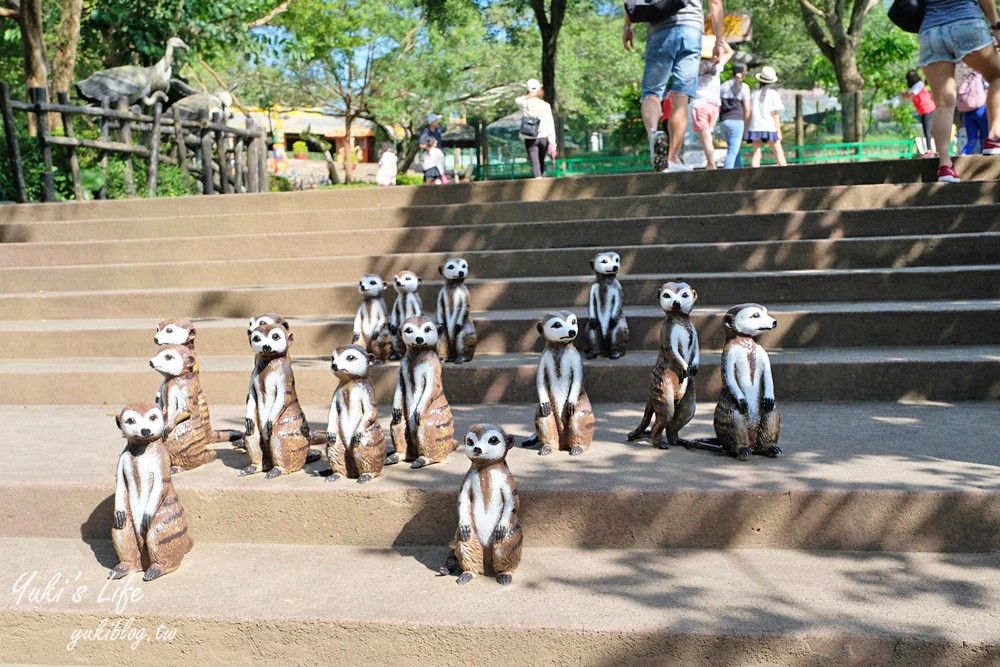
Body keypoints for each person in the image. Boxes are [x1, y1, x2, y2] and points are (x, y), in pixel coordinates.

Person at [623, 0, 726, 172]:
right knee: (682, 95)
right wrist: (719, 42)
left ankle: (654, 134)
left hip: (659, 29)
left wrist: (627, 27)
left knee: (652, 92)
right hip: (691, 30)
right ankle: (672, 157)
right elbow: (715, 2)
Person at [917, 0, 1000, 182]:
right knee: (997, 76)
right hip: (966, 23)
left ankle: (945, 167)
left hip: (930, 32)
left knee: (943, 103)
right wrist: (996, 26)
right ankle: (994, 137)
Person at [691, 35, 734, 169]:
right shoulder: (717, 66)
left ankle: (711, 164)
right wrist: (718, 39)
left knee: (705, 137)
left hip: (699, 105)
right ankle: (711, 163)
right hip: (714, 106)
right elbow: (730, 52)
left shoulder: (693, 67)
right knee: (706, 135)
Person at [515, 79, 558, 178]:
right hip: (543, 138)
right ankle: (544, 186)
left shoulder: (525, 104)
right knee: (542, 163)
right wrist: (552, 142)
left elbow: (517, 100)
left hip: (530, 138)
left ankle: (538, 185)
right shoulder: (545, 105)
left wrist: (529, 95)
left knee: (535, 164)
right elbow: (550, 124)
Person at [746, 65, 787, 168]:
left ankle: (753, 178)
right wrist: (779, 131)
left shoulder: (754, 94)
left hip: (755, 127)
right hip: (769, 127)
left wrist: (746, 128)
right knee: (778, 152)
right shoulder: (773, 94)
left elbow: (749, 112)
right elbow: (775, 115)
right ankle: (787, 175)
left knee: (757, 153)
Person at [719, 61, 751, 169]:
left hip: (723, 122)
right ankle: (726, 176)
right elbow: (747, 109)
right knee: (733, 151)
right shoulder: (744, 87)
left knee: (734, 149)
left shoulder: (723, 86)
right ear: (744, 73)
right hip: (737, 121)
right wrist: (746, 123)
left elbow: (718, 105)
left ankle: (740, 172)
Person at [901, 70, 937, 156]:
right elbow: (908, 94)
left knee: (928, 130)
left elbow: (910, 95)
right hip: (924, 111)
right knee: (928, 130)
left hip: (928, 109)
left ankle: (930, 150)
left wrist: (903, 94)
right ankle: (931, 149)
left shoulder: (919, 84)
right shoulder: (915, 87)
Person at [957, 62, 989, 154]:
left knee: (971, 140)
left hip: (966, 112)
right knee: (985, 138)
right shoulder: (978, 75)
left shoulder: (962, 77)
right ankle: (985, 159)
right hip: (981, 109)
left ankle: (962, 157)